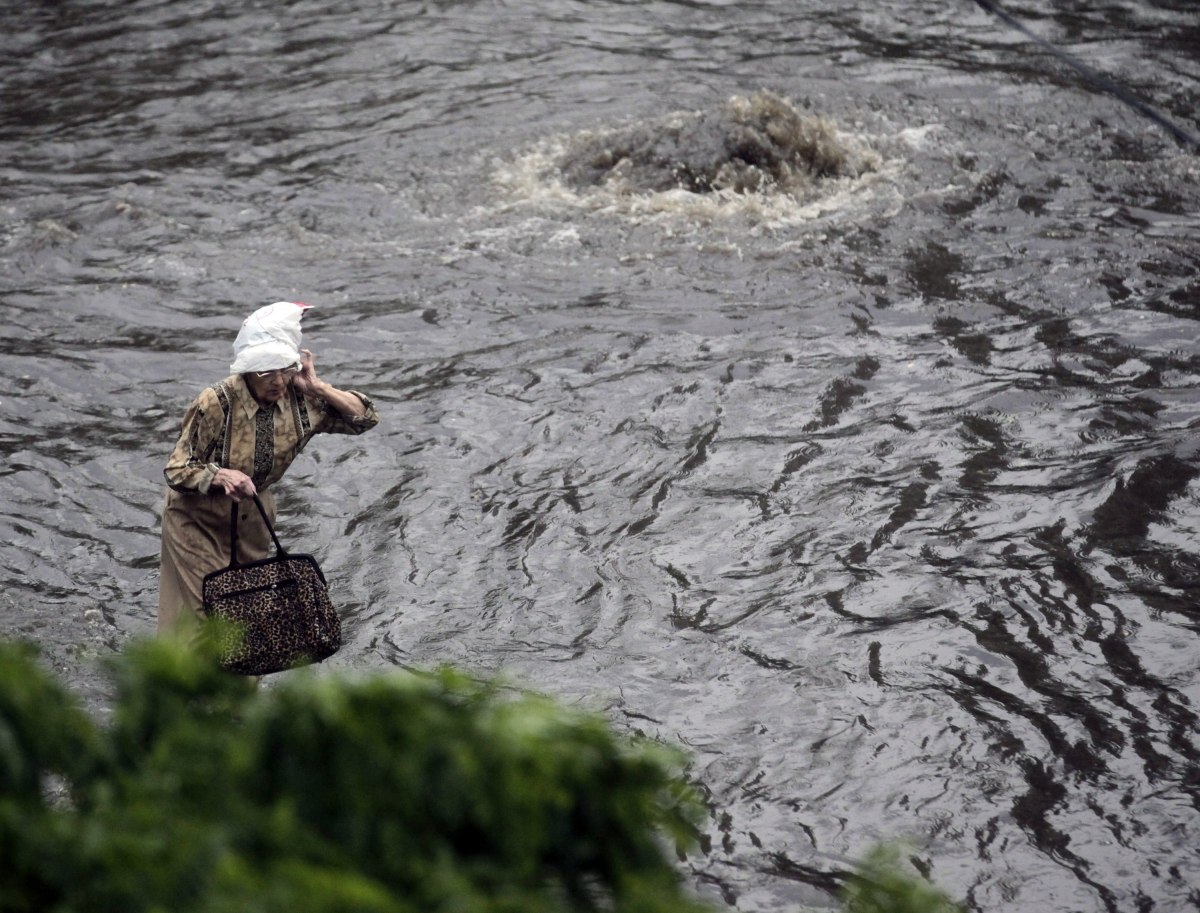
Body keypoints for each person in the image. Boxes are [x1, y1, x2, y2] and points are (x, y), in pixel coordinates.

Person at [158, 301, 380, 636]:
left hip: (254, 516)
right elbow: (176, 469)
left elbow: (365, 419)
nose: (277, 381)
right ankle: (187, 681)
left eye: (284, 369)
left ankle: (243, 688)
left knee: (253, 616)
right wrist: (219, 475)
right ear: (247, 371)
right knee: (213, 614)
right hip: (197, 517)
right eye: (266, 371)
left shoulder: (301, 396)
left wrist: (317, 387)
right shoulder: (215, 403)